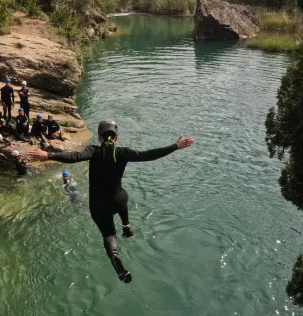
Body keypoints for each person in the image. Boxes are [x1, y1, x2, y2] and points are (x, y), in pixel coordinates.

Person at [29, 119, 194, 282]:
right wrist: (175, 146)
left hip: (99, 206)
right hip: (118, 201)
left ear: (100, 138)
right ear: (116, 138)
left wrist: (48, 155)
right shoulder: (123, 152)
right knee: (123, 195)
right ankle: (126, 226)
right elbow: (148, 155)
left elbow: (74, 156)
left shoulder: (94, 151)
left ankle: (114, 257)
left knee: (108, 234)